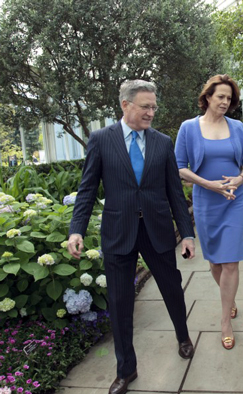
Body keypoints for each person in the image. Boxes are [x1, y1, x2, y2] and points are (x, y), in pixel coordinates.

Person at [67, 79, 196, 394]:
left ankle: (183, 335)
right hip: (118, 232)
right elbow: (86, 190)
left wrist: (188, 235)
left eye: (154, 106)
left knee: (172, 289)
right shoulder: (100, 140)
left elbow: (175, 193)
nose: (151, 112)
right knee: (121, 302)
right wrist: (76, 229)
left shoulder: (163, 142)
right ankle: (126, 369)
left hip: (157, 229)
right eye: (145, 106)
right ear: (125, 105)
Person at [174, 74, 243, 350]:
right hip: (206, 202)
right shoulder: (188, 128)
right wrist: (209, 184)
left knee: (231, 262)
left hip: (234, 201)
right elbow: (180, 167)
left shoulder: (238, 128)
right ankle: (229, 299)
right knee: (216, 263)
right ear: (207, 97)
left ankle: (224, 321)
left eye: (229, 98)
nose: (225, 102)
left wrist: (239, 179)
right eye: (220, 96)